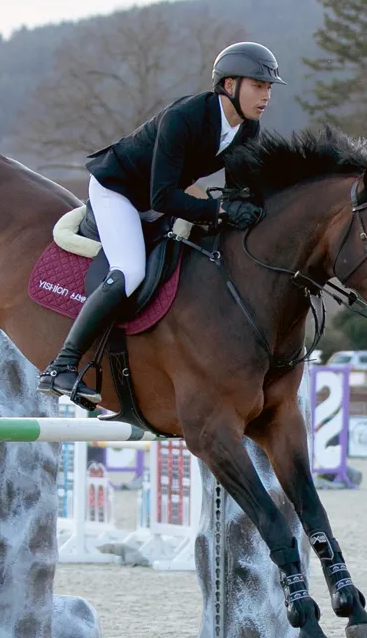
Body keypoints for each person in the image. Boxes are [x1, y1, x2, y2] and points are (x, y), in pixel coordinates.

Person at [37, 42, 282, 402]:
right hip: (118, 190)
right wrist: (219, 212)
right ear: (230, 86)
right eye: (259, 85)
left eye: (269, 88)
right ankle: (62, 365)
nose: (266, 96)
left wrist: (248, 209)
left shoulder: (246, 131)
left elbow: (237, 192)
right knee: (130, 270)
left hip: (157, 195)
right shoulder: (184, 117)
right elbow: (162, 198)